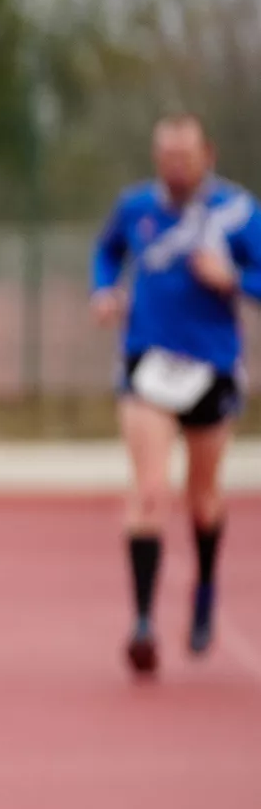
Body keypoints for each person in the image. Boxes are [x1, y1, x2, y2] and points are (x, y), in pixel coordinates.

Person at [90, 113, 259, 670]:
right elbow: (106, 251)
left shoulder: (236, 213)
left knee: (202, 499)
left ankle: (206, 587)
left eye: (185, 156)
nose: (175, 167)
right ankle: (142, 622)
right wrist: (104, 291)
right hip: (149, 365)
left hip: (211, 367)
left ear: (206, 154)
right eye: (166, 157)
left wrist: (231, 279)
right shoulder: (137, 206)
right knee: (150, 490)